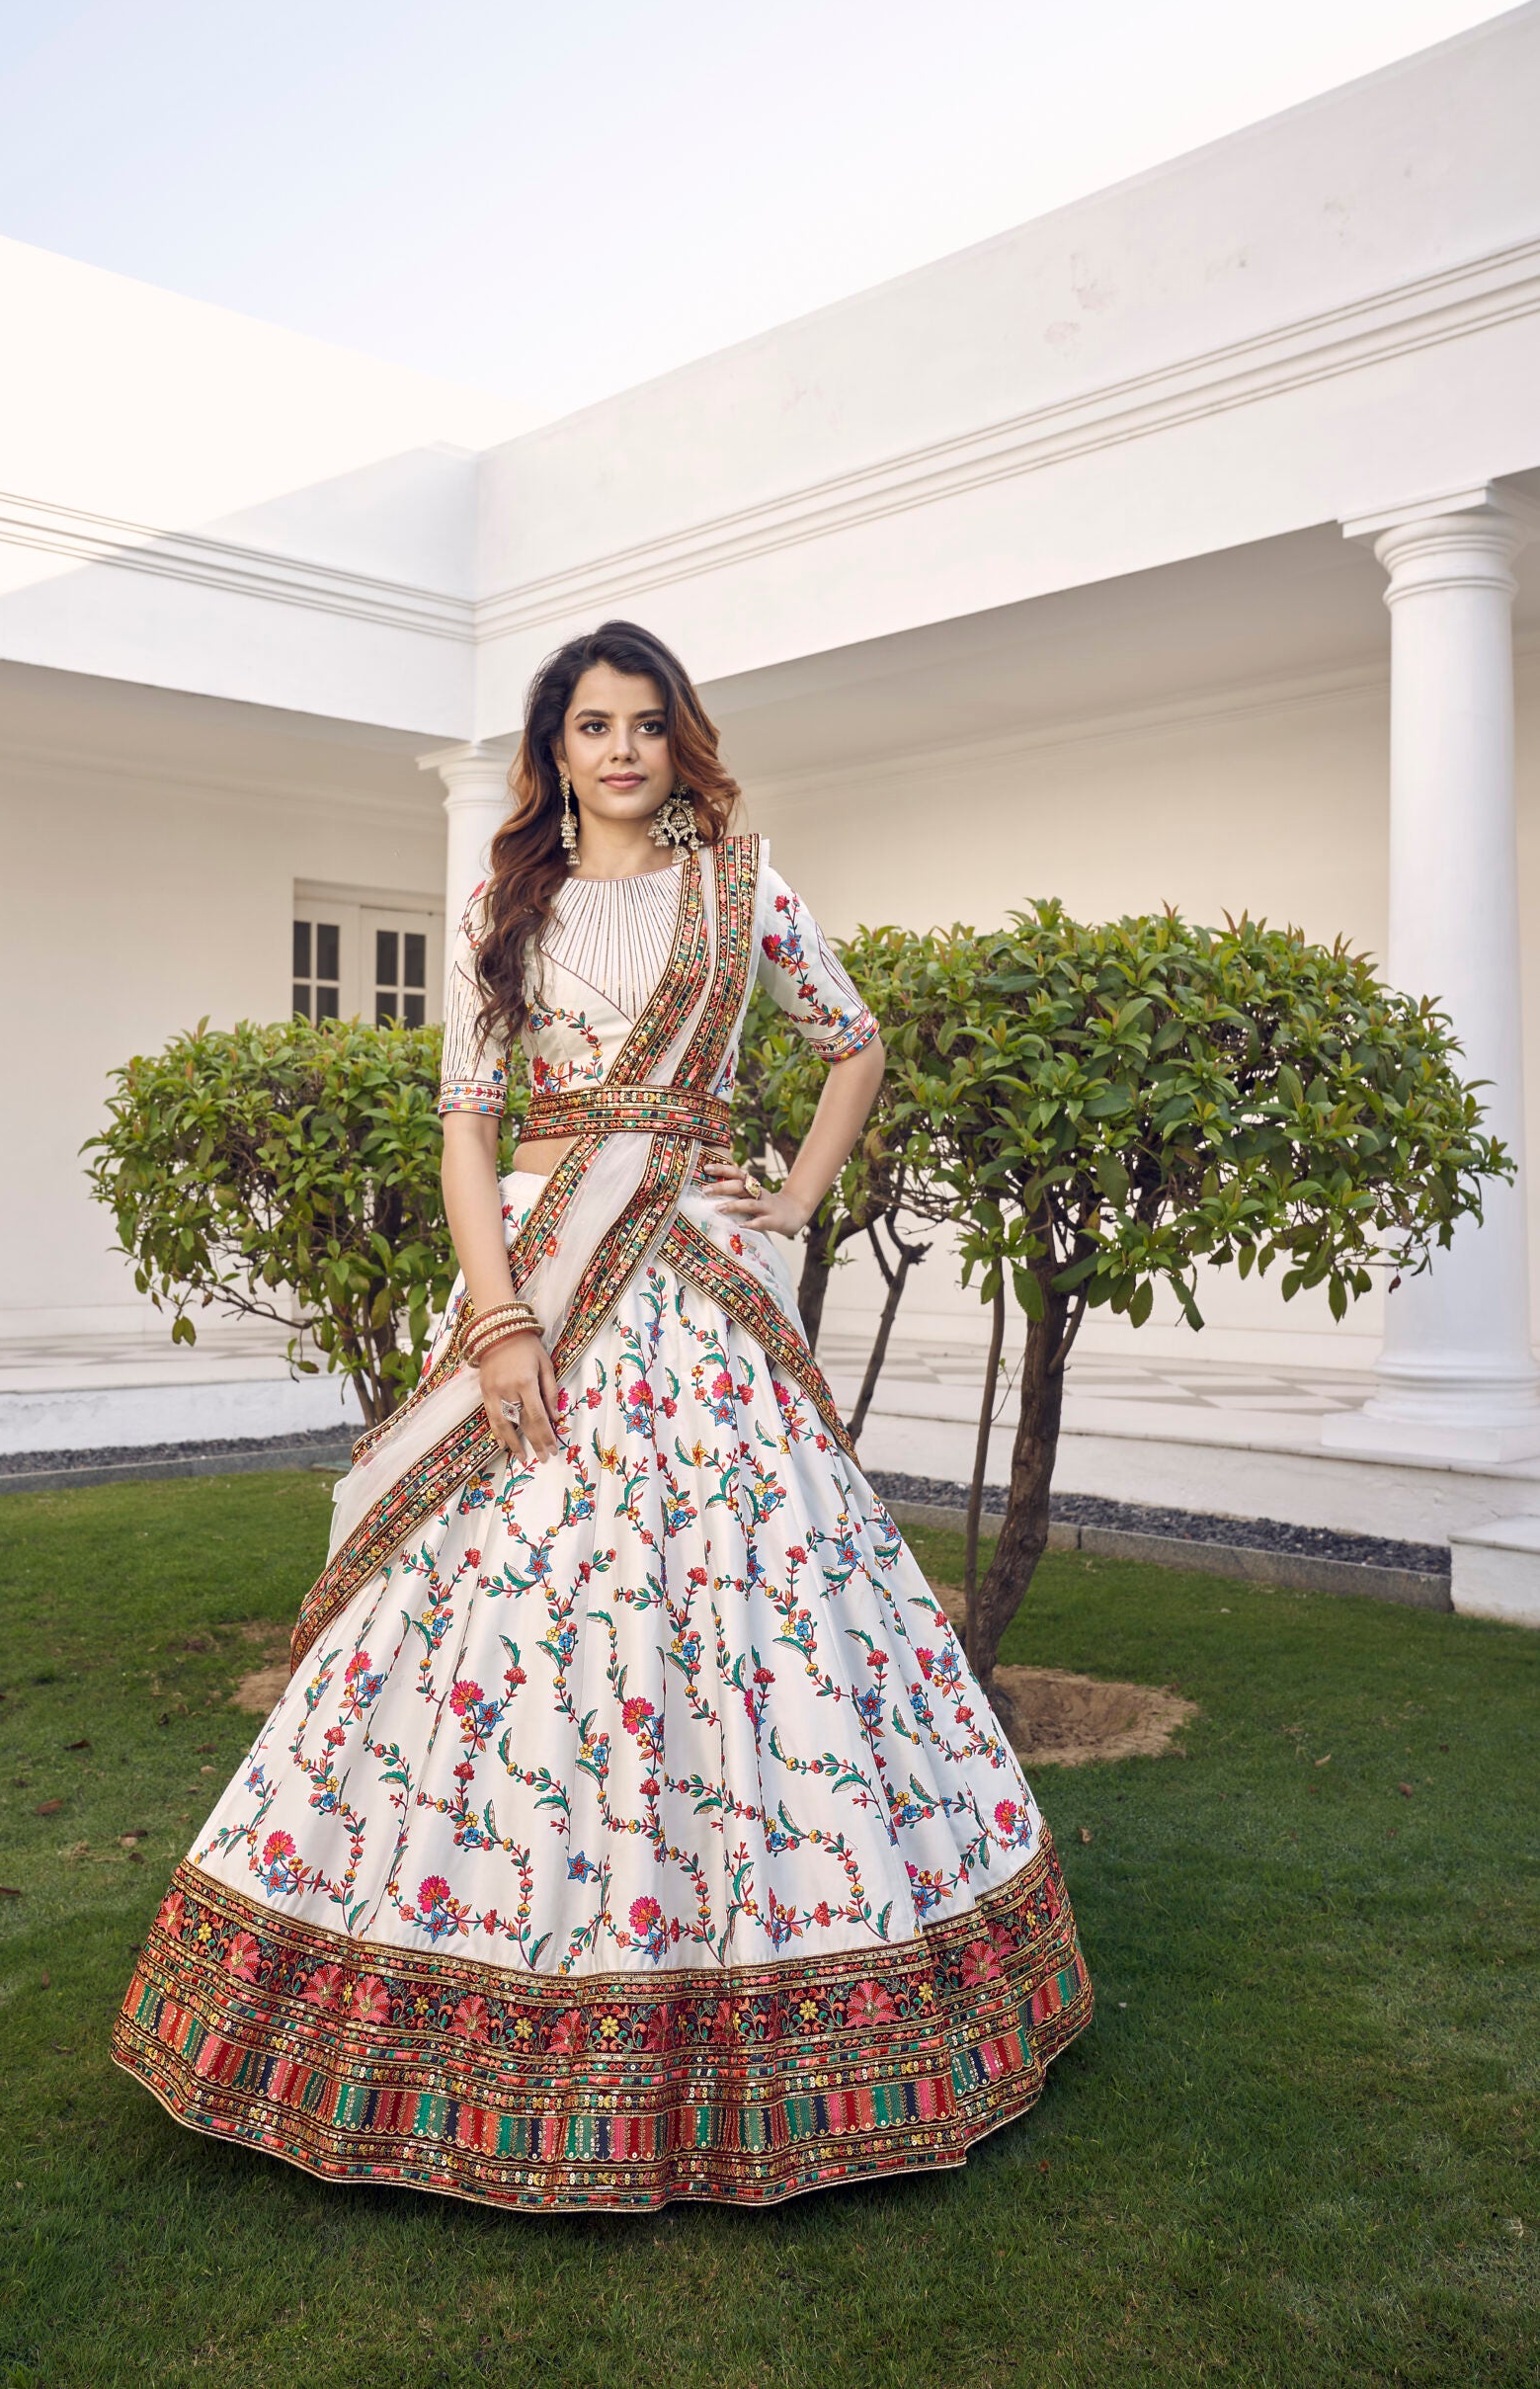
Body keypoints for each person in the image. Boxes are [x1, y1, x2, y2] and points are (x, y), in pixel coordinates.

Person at [113, 620, 1090, 2209]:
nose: (622, 749)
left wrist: (796, 1196)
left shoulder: (744, 892)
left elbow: (853, 1045)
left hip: (697, 1284)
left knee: (747, 1606)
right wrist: (499, 1321)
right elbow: (467, 1129)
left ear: (676, 738)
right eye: (592, 726)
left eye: (644, 723)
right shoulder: (504, 906)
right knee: (515, 1601)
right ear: (554, 752)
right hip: (545, 1284)